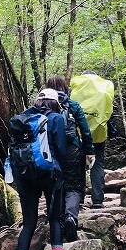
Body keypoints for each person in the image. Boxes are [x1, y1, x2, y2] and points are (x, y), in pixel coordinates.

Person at [10, 88, 67, 250]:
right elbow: (61, 149)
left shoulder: (23, 119)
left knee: (29, 223)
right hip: (51, 175)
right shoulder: (56, 119)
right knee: (54, 219)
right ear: (54, 102)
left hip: (25, 176)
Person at [45, 75, 95, 234]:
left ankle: (58, 221)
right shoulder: (72, 105)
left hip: (51, 150)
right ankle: (71, 216)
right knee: (73, 185)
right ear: (65, 88)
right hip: (72, 149)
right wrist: (89, 151)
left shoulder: (43, 106)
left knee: (57, 184)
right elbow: (85, 131)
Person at [70, 72, 115, 208]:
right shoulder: (104, 89)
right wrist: (112, 131)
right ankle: (97, 200)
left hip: (78, 134)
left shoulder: (76, 88)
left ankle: (79, 198)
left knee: (79, 165)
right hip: (98, 134)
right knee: (96, 164)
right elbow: (109, 113)